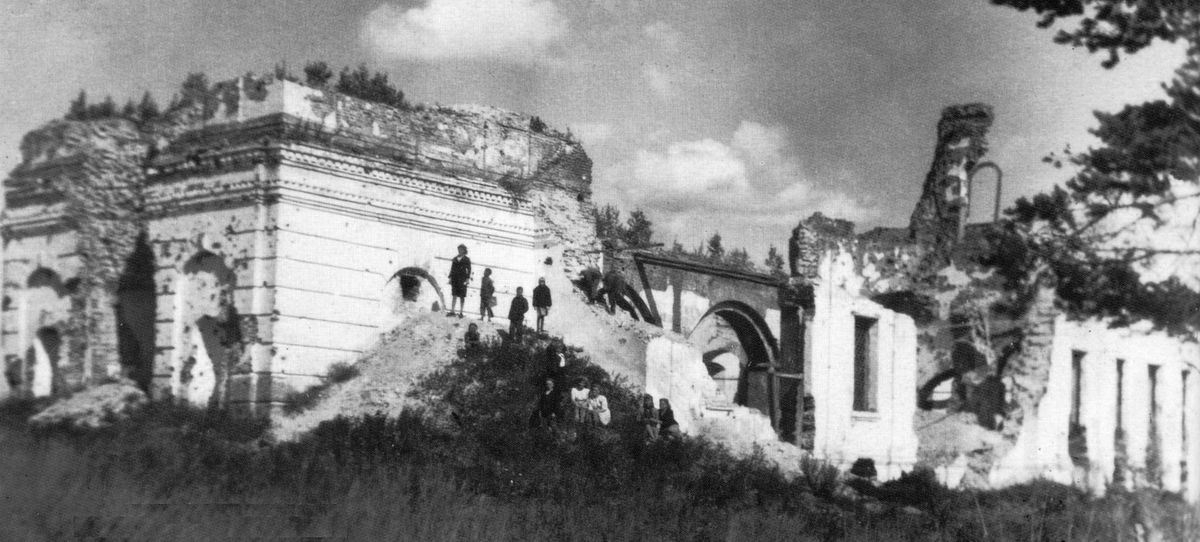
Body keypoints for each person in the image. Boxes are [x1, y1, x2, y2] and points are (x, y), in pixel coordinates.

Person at [447, 244, 472, 318]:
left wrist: (467, 278)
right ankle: (452, 311)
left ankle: (461, 312)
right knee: (454, 294)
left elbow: (469, 269)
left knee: (462, 295)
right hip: (455, 278)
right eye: (459, 249)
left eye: (461, 249)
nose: (460, 250)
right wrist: (450, 278)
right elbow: (452, 268)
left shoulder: (467, 259)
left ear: (464, 250)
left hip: (462, 279)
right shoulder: (455, 258)